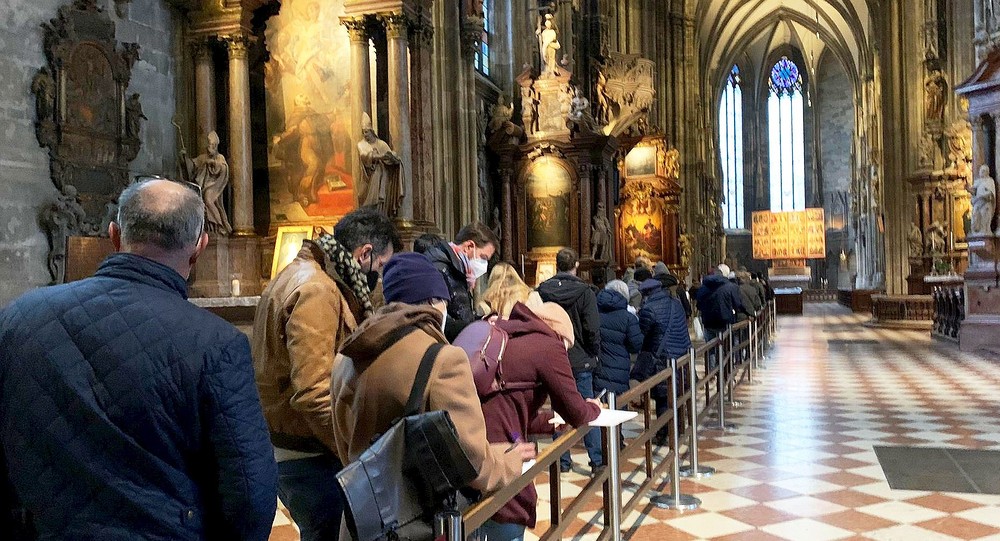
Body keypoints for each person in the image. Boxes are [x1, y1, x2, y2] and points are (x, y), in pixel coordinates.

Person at [0, 178, 277, 540]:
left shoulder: (18, 317)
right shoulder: (217, 344)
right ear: (199, 247)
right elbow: (250, 495)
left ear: (114, 236)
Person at [330, 252, 533, 498]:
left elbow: (343, 443)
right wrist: (509, 461)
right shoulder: (444, 359)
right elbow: (472, 463)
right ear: (432, 301)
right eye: (443, 301)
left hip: (366, 504)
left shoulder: (345, 358)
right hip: (418, 509)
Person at [252, 206, 399, 541]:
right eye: (381, 266)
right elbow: (313, 391)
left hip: (299, 446)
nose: (379, 279)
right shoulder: (318, 289)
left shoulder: (304, 275)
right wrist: (353, 450)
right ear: (364, 253)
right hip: (310, 453)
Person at [478, 302, 602, 541]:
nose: (565, 353)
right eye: (567, 347)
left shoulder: (507, 335)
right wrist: (594, 407)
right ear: (561, 335)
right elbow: (578, 412)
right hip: (503, 453)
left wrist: (553, 422)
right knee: (510, 513)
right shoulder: (548, 345)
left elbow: (512, 405)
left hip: (477, 442)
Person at [537, 248, 604, 473]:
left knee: (559, 410)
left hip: (552, 358)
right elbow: (592, 328)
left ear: (557, 265)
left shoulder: (543, 291)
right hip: (580, 357)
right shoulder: (585, 292)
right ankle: (596, 460)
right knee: (588, 406)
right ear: (575, 265)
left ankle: (561, 461)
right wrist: (594, 352)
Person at [636, 278, 692, 446]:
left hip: (662, 357)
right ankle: (679, 428)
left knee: (663, 397)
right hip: (681, 353)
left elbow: (641, 335)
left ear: (645, 294)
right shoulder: (675, 303)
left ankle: (664, 433)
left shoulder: (649, 309)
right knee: (678, 394)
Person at [423, 222, 500, 340]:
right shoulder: (438, 268)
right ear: (469, 246)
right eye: (483, 257)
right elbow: (438, 320)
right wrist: (476, 328)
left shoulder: (458, 270)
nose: (484, 264)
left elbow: (461, 315)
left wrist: (484, 320)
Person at [594, 280, 643, 396]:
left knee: (599, 401)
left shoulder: (593, 314)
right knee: (619, 401)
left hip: (597, 367)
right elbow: (636, 345)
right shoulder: (629, 318)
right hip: (620, 367)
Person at [696, 264, 752, 368]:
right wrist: (749, 313)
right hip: (724, 321)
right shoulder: (730, 286)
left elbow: (698, 305)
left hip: (708, 322)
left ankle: (712, 371)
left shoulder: (704, 287)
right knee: (725, 347)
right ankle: (724, 369)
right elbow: (738, 304)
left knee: (710, 348)